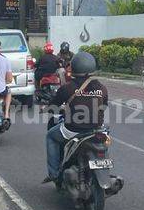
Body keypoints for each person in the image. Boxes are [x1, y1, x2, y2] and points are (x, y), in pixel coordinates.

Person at [43, 51, 108, 184]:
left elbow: (53, 106)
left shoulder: (67, 88)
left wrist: (46, 109)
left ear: (74, 67)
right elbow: (104, 106)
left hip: (73, 130)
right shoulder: (102, 88)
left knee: (51, 136)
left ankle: (54, 173)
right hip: (96, 130)